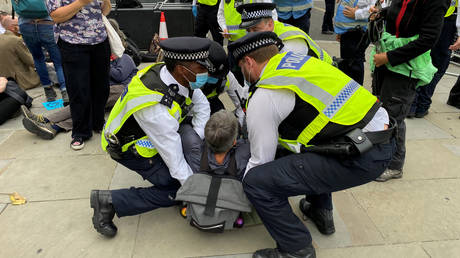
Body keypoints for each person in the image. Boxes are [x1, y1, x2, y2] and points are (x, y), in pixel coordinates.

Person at [228, 31, 395, 258]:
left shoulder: (266, 94)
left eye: (241, 68)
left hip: (361, 156)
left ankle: (296, 249)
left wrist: (237, 195)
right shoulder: (299, 61)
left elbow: (260, 162)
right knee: (308, 147)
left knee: (256, 182)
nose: (243, 74)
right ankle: (320, 211)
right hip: (381, 137)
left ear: (248, 62)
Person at [90, 37, 211, 238]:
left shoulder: (174, 75)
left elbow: (202, 106)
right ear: (182, 69)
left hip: (155, 134)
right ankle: (108, 202)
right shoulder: (155, 107)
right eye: (201, 68)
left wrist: (194, 140)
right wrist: (196, 193)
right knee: (175, 189)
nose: (205, 73)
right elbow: (176, 162)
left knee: (186, 163)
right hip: (130, 146)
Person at [370, 0, 450, 182]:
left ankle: (394, 165)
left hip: (405, 66)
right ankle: (381, 153)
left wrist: (389, 57)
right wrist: (382, 12)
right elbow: (399, 9)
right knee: (382, 110)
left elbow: (428, 39)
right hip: (388, 60)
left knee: (394, 116)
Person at [21, 53, 138, 141]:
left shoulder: (124, 57)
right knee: (88, 108)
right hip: (108, 94)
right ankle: (55, 127)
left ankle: (45, 119)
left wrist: (102, 64)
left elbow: (119, 76)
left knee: (87, 101)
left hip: (124, 90)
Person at [46, 0, 112, 150]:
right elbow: (56, 16)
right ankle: (80, 132)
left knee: (102, 86)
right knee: (78, 89)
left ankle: (98, 122)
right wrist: (82, 2)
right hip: (72, 42)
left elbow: (104, 11)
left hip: (99, 40)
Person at [237, 2, 333, 64]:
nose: (251, 35)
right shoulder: (271, 31)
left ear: (270, 24)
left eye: (255, 29)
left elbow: (290, 78)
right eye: (248, 31)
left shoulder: (290, 42)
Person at [409, 0, 458, 118]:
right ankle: (420, 104)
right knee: (438, 65)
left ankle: (413, 103)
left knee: (421, 57)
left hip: (427, 14)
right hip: (445, 19)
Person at [17, 13, 68, 104]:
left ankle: (49, 93)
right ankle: (65, 91)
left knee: (38, 58)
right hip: (46, 23)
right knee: (58, 61)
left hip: (26, 25)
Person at [200, 41, 245, 126]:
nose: (216, 79)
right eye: (213, 75)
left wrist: (238, 127)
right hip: (190, 108)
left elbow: (241, 104)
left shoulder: (226, 75)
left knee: (225, 123)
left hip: (212, 102)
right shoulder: (191, 75)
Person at [334, 0, 373, 84]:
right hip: (348, 32)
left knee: (353, 66)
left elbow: (375, 8)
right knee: (347, 65)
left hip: (356, 33)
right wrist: (341, 30)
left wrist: (357, 13)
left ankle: (355, 93)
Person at [0, 16, 41, 90]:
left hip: (4, 80)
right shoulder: (16, 40)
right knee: (48, 68)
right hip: (21, 81)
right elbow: (31, 62)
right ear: (13, 28)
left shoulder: (3, 38)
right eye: (19, 24)